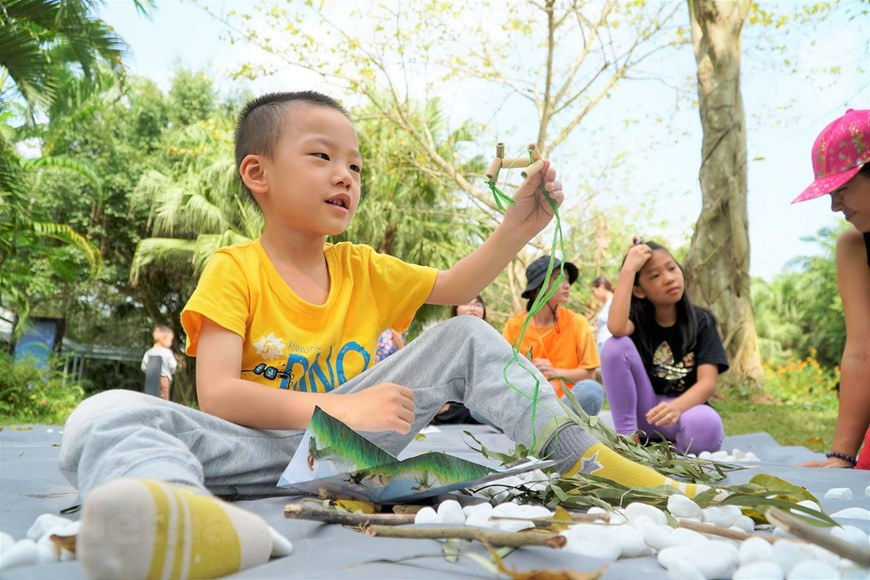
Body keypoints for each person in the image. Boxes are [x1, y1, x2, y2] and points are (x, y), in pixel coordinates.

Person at [59, 91, 708, 579]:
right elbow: (218, 396)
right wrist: (335, 405)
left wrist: (519, 229)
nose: (347, 176)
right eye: (322, 157)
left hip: (351, 455)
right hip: (249, 448)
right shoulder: (235, 269)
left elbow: (458, 286)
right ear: (258, 174)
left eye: (356, 167)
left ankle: (588, 461)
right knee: (104, 413)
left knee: (468, 337)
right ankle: (186, 516)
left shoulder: (362, 268)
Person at [791, 108, 870, 470]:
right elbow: (861, 352)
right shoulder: (854, 248)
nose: (835, 206)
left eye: (842, 190)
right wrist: (842, 457)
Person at [601, 240, 728, 454]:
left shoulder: (702, 321)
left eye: (671, 268)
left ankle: (674, 450)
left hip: (683, 411)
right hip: (646, 413)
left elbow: (708, 383)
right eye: (655, 276)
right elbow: (615, 327)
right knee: (614, 346)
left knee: (708, 424)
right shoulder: (638, 320)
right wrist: (628, 269)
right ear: (639, 291)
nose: (669, 278)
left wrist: (677, 407)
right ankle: (629, 443)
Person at [502, 256, 605, 416]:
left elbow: (589, 375)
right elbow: (506, 374)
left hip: (566, 403)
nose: (567, 285)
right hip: (529, 402)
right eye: (558, 278)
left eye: (568, 279)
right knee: (479, 406)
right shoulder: (514, 326)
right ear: (538, 288)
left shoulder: (577, 322)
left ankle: (546, 422)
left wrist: (555, 373)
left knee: (593, 391)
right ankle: (545, 423)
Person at [432, 295, 487, 425]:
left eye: (478, 305)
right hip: (450, 406)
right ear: (455, 309)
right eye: (467, 303)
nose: (472, 309)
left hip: (480, 406)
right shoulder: (442, 339)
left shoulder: (492, 342)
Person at [140, 324, 177, 400]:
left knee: (150, 398)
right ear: (163, 339)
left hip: (151, 378)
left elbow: (143, 367)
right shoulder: (167, 352)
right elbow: (173, 366)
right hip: (164, 379)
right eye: (170, 340)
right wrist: (170, 372)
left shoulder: (149, 352)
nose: (171, 343)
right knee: (163, 398)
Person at [591, 276, 614, 351]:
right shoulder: (607, 304)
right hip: (602, 343)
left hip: (607, 343)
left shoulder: (613, 302)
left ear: (601, 287)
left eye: (594, 291)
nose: (594, 294)